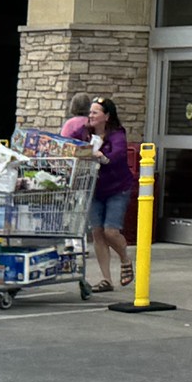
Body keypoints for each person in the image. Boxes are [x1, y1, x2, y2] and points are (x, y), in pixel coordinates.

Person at [85, 97, 136, 292]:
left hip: (117, 188)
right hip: (94, 188)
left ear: (106, 116)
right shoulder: (86, 134)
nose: (91, 115)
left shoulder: (117, 134)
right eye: (90, 112)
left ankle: (125, 258)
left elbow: (119, 154)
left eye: (95, 112)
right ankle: (106, 279)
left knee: (110, 232)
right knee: (97, 232)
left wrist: (103, 157)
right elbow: (71, 142)